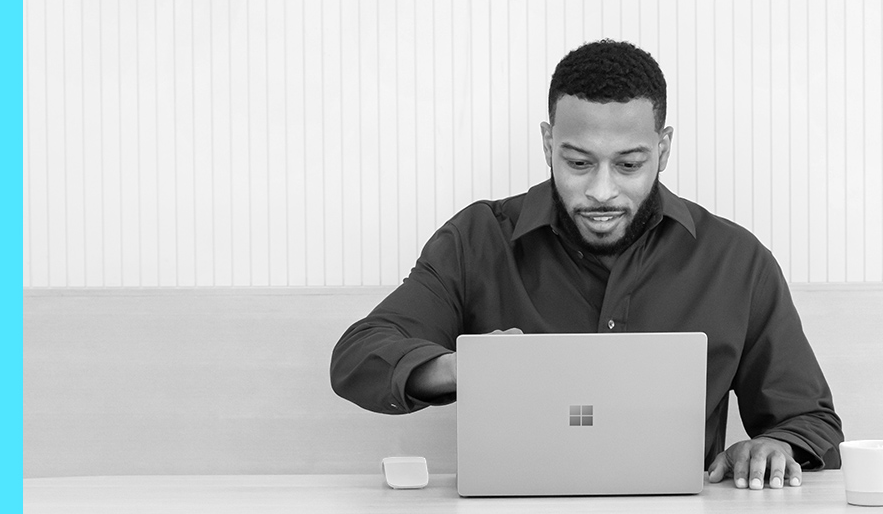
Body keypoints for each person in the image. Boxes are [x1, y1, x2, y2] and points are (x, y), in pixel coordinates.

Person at [332, 39, 843, 491]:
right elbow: (359, 355)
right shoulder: (478, 240)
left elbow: (810, 420)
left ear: (663, 149)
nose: (601, 191)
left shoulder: (736, 261)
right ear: (548, 143)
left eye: (628, 164)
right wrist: (464, 368)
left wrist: (773, 448)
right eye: (578, 163)